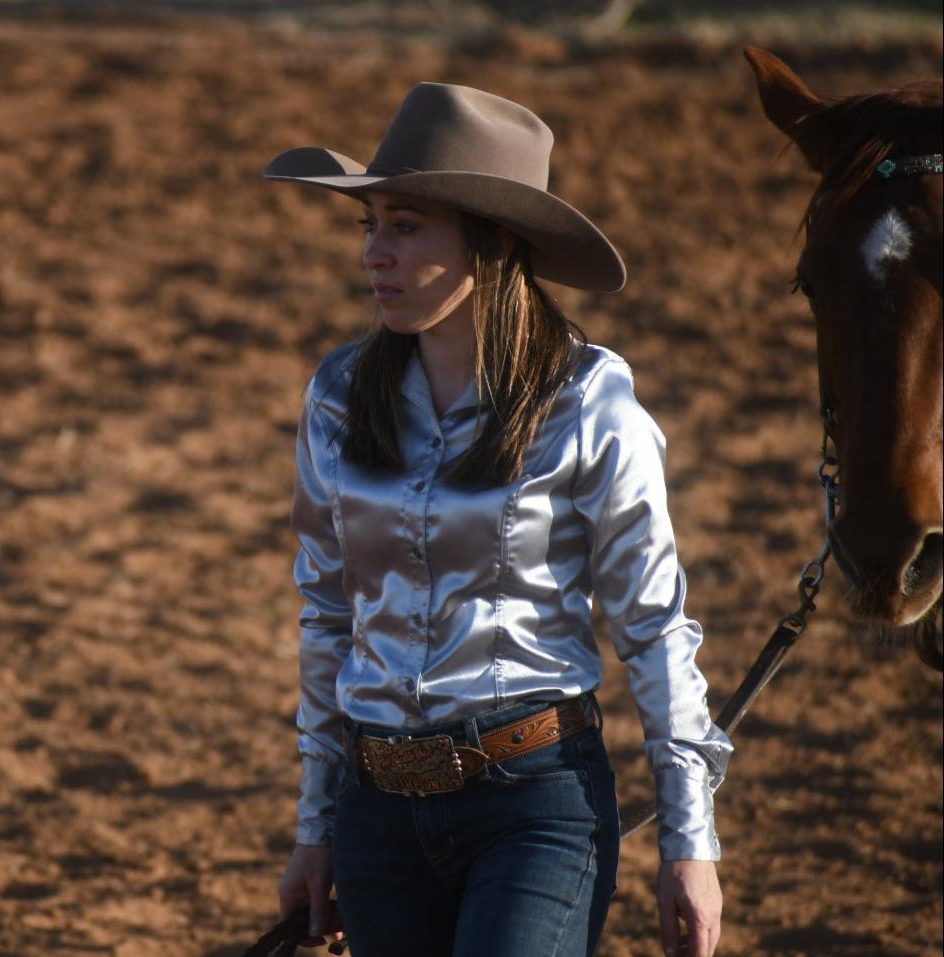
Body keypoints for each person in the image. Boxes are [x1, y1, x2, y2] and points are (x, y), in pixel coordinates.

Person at [264, 82, 732, 957]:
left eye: (405, 226)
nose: (376, 254)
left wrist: (689, 842)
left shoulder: (590, 404)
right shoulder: (335, 398)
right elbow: (328, 618)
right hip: (375, 816)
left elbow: (654, 627)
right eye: (367, 226)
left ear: (494, 238)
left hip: (535, 805)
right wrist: (314, 824)